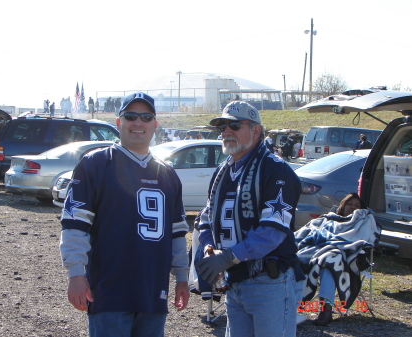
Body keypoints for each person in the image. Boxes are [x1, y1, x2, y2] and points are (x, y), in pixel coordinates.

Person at [60, 92, 189, 337]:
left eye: (146, 117)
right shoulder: (95, 164)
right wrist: (76, 273)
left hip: (153, 292)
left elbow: (177, 233)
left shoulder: (168, 174)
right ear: (119, 122)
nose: (138, 123)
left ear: (155, 125)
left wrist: (181, 276)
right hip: (109, 291)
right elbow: (75, 224)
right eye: (130, 116)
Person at [195, 101, 302, 337]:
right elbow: (206, 217)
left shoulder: (276, 170)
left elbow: (273, 231)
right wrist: (209, 248)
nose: (225, 132)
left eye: (234, 125)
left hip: (269, 283)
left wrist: (228, 258)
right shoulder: (223, 170)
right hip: (235, 283)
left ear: (255, 130)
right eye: (221, 127)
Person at [295, 193, 381, 326]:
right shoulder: (329, 219)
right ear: (343, 205)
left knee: (331, 259)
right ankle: (323, 309)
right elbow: (311, 232)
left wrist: (340, 245)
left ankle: (325, 309)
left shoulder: (363, 220)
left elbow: (365, 238)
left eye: (356, 205)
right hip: (320, 252)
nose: (353, 207)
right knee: (324, 260)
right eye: (349, 204)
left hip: (350, 255)